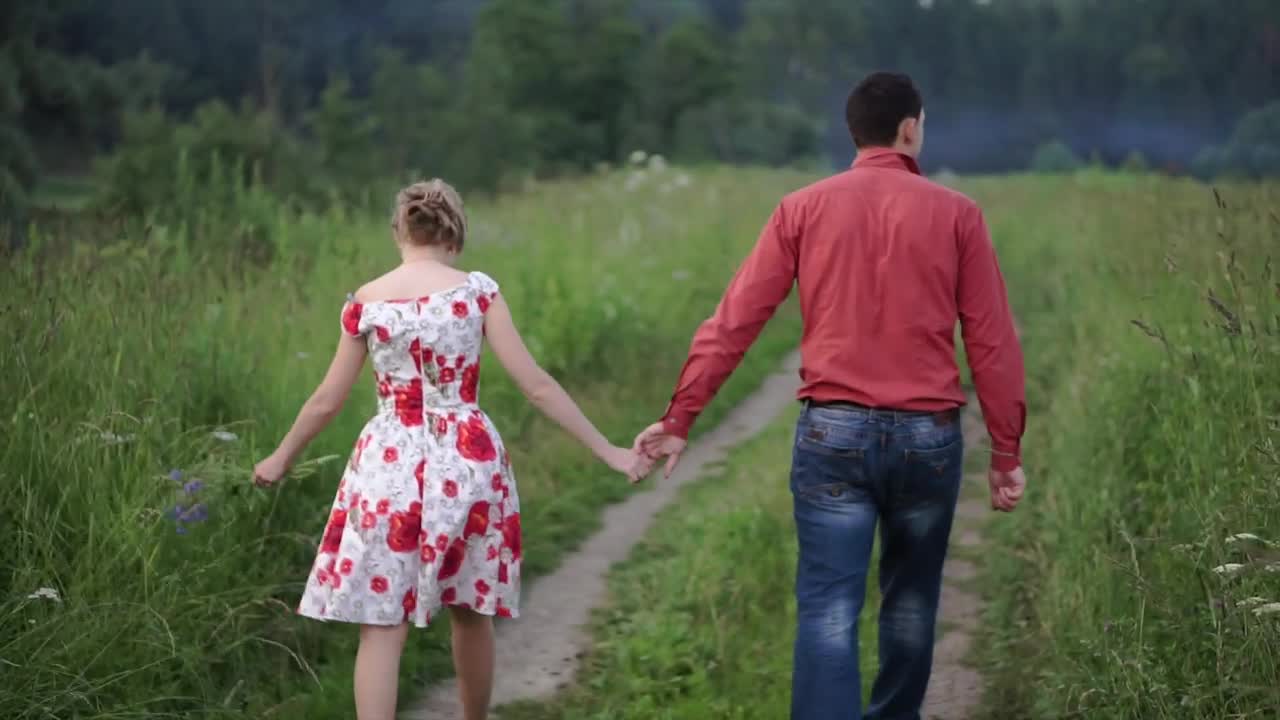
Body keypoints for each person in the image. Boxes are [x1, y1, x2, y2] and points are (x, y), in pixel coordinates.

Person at [634, 72, 1027, 720]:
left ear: (854, 132)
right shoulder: (959, 214)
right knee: (910, 603)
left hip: (833, 436)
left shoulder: (802, 207)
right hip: (928, 439)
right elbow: (991, 343)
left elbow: (735, 319)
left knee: (827, 609)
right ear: (909, 129)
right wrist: (1006, 452)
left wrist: (682, 416)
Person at [252, 179, 649, 720]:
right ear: (454, 236)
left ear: (400, 232)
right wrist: (611, 451)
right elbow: (536, 385)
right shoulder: (476, 292)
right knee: (470, 608)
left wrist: (280, 457)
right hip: (467, 460)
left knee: (381, 623)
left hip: (386, 465)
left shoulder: (365, 303)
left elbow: (325, 401)